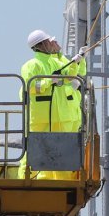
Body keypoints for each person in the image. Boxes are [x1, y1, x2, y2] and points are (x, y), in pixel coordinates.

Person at [19, 30, 87, 180]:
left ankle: (59, 180)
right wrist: (49, 81)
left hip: (56, 116)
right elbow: (30, 87)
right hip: (39, 117)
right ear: (41, 44)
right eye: (49, 41)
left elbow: (69, 74)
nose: (52, 44)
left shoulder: (55, 62)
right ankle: (27, 179)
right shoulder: (30, 65)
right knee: (35, 150)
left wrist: (78, 60)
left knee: (59, 151)